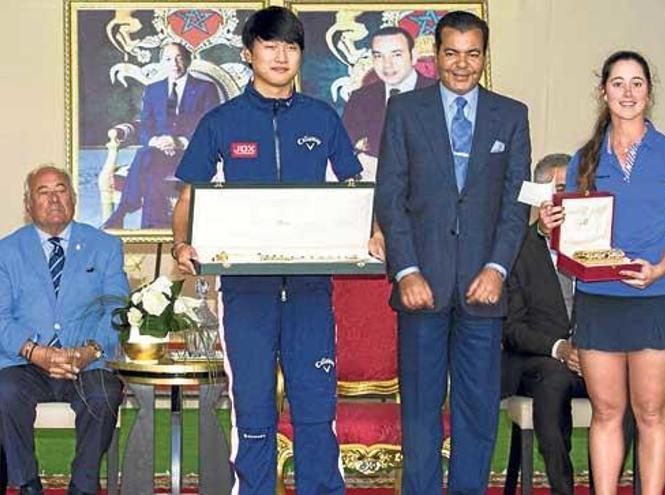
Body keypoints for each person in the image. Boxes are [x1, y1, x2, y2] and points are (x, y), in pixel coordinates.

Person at [170, 7, 361, 495]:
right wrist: (180, 242)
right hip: (245, 290)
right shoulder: (221, 122)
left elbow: (355, 190)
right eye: (271, 45)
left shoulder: (321, 117)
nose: (281, 56)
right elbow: (189, 200)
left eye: (291, 46)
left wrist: (373, 231)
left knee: (316, 406)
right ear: (248, 52)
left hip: (309, 288)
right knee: (253, 408)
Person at [374, 10, 531, 494]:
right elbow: (390, 197)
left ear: (484, 57)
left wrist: (498, 268)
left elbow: (515, 203)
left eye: (472, 54)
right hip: (422, 287)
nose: (462, 65)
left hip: (484, 291)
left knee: (478, 412)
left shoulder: (512, 114)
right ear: (434, 56)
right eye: (451, 53)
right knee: (420, 412)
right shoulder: (405, 112)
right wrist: (406, 270)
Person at [540, 50, 665, 495]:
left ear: (649, 92)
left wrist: (659, 268)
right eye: (618, 83)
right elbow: (572, 237)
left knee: (651, 413)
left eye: (637, 83)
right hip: (598, 301)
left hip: (654, 298)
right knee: (606, 413)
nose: (627, 92)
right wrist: (553, 227)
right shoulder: (583, 158)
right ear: (603, 91)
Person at [0, 165, 127, 495]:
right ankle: (27, 483)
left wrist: (91, 350)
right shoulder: (6, 251)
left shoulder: (105, 246)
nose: (54, 198)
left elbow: (118, 308)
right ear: (29, 204)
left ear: (73, 198)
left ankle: (83, 486)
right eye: (44, 192)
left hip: (86, 362)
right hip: (24, 362)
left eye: (61, 190)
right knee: (4, 393)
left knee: (105, 394)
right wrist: (34, 351)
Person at [502, 153, 587, 495]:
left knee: (629, 380)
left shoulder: (598, 244)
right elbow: (511, 328)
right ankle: (562, 487)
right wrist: (560, 349)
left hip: (593, 358)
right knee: (553, 380)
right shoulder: (515, 250)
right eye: (563, 188)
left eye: (578, 188)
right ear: (540, 196)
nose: (572, 198)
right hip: (535, 361)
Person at [104, 42, 220, 229]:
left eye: (179, 57)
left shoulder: (206, 88)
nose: (174, 64)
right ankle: (150, 226)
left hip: (191, 153)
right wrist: (155, 141)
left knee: (148, 170)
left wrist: (179, 142)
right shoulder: (153, 89)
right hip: (159, 152)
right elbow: (145, 125)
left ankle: (127, 212)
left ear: (188, 60)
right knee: (146, 158)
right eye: (168, 59)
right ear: (162, 63)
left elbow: (212, 125)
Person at [341, 26, 434, 182]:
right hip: (380, 189)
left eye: (396, 55)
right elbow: (341, 146)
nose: (387, 65)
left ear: (414, 56)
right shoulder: (361, 98)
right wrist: (360, 159)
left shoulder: (439, 94)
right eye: (379, 56)